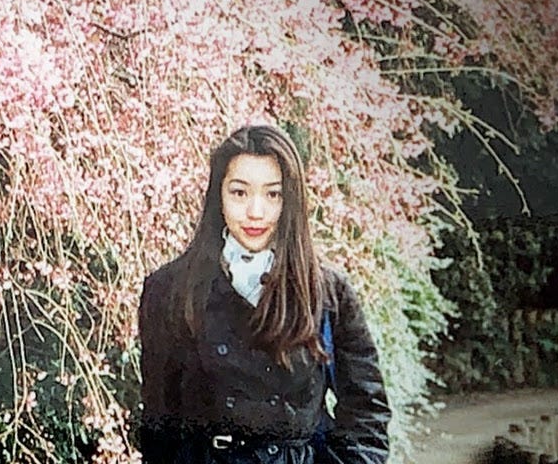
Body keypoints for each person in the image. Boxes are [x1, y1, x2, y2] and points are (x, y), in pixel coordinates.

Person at [135, 124, 390, 463]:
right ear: (218, 196)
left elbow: (366, 411)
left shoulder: (327, 293)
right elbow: (160, 424)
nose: (256, 212)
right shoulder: (169, 291)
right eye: (240, 192)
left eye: (273, 194)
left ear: (291, 201)